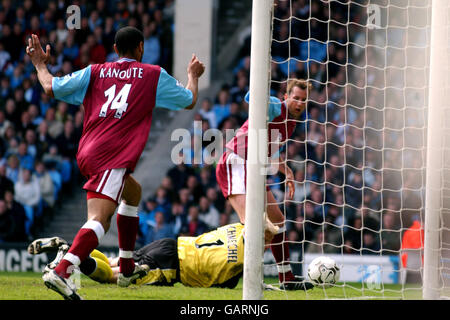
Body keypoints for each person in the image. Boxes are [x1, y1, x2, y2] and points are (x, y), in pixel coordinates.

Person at [26, 26, 205, 300]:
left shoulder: (94, 71)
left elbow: (50, 86)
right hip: (112, 153)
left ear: (114, 48)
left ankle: (126, 267)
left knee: (132, 193)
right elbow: (190, 101)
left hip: (88, 148)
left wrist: (39, 64)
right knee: (100, 220)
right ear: (141, 48)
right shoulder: (152, 75)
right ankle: (61, 270)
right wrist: (192, 76)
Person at [215, 79, 312, 290]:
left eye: (304, 100)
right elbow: (250, 98)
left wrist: (286, 171)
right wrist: (263, 82)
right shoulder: (275, 106)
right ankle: (222, 272)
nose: (299, 103)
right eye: (295, 98)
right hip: (237, 162)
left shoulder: (291, 124)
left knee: (277, 222)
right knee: (253, 225)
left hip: (255, 168)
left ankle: (286, 278)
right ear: (286, 97)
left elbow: (271, 153)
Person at [28, 221, 299, 290]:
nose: (268, 244)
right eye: (268, 239)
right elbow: (222, 284)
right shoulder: (245, 258)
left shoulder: (237, 227)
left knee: (115, 261)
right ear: (263, 239)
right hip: (174, 267)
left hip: (173, 244)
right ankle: (71, 257)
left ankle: (71, 252)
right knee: (113, 277)